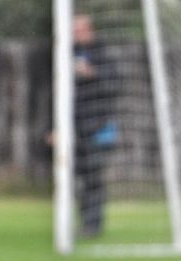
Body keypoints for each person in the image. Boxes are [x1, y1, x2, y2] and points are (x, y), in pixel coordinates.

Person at [72, 13, 117, 237]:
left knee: (94, 178)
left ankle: (93, 225)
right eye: (74, 30)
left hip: (98, 127)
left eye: (80, 29)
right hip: (73, 129)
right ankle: (81, 223)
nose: (77, 34)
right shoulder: (66, 54)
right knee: (76, 179)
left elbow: (114, 87)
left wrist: (92, 74)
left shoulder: (103, 55)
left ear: (91, 30)